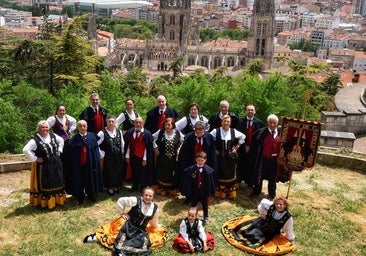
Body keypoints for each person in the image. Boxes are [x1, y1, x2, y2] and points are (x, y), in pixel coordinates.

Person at [83, 187, 168, 255]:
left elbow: (153, 222)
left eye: (150, 196)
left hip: (140, 230)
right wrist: (122, 213)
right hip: (127, 224)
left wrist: (158, 226)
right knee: (115, 237)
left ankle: (122, 252)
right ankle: (96, 237)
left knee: (143, 244)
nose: (148, 197)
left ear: (153, 197)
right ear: (143, 195)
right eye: (146, 195)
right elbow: (121, 201)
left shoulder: (155, 208)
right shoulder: (136, 200)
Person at [23, 120, 65, 209]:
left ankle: (58, 200)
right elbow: (25, 149)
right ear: (38, 129)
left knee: (58, 180)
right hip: (44, 165)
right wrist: (35, 159)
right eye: (43, 127)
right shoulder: (35, 140)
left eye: (46, 127)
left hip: (56, 163)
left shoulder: (53, 135)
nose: (45, 129)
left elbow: (61, 140)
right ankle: (47, 203)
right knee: (47, 183)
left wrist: (60, 150)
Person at [227, 196, 295, 249]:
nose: (278, 206)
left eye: (281, 204)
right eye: (277, 203)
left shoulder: (287, 217)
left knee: (254, 237)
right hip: (262, 223)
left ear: (285, 205)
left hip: (269, 232)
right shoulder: (271, 206)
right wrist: (262, 213)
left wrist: (291, 239)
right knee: (245, 229)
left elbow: (289, 229)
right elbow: (263, 201)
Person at [177, 121, 217, 195]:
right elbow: (184, 152)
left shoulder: (209, 137)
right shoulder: (189, 137)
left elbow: (212, 152)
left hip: (204, 163)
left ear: (204, 129)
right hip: (192, 163)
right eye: (196, 129)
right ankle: (190, 195)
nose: (198, 131)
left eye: (200, 129)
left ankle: (204, 195)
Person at [210, 115, 245, 199]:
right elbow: (208, 139)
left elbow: (243, 136)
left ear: (230, 123)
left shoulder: (233, 131)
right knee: (221, 174)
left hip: (230, 157)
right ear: (221, 122)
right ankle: (221, 193)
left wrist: (237, 147)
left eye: (228, 121)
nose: (226, 123)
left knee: (230, 175)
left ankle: (230, 193)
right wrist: (214, 149)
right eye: (224, 121)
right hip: (220, 157)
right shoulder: (216, 131)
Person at [69, 120, 103, 203]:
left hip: (91, 163)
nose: (82, 128)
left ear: (87, 127)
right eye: (80, 126)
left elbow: (96, 150)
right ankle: (80, 196)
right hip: (79, 164)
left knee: (91, 179)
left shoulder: (93, 136)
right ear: (77, 127)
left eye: (84, 126)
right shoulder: (74, 139)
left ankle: (92, 195)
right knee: (79, 180)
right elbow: (72, 155)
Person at [249, 114, 281, 200]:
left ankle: (272, 194)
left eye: (274, 122)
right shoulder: (261, 132)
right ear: (267, 123)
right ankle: (256, 192)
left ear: (277, 123)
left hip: (274, 160)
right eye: (270, 122)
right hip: (262, 159)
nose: (272, 124)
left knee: (272, 177)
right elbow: (253, 143)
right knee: (259, 176)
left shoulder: (281, 133)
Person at [47, 104, 77, 194]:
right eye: (60, 110)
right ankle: (60, 184)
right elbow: (45, 127)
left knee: (68, 163)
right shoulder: (53, 119)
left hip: (68, 143)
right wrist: (53, 136)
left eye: (63, 110)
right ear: (57, 111)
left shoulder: (68, 117)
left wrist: (70, 130)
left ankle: (68, 184)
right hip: (57, 143)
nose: (62, 112)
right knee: (60, 163)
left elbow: (74, 123)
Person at [180, 152, 216, 224]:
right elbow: (188, 181)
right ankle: (192, 216)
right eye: (198, 160)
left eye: (202, 160)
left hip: (204, 191)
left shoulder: (208, 171)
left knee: (204, 204)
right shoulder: (191, 170)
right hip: (195, 190)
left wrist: (209, 191)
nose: (200, 162)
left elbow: (210, 183)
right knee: (193, 203)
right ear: (196, 160)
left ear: (205, 160)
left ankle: (206, 216)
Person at [153, 117, 184, 196]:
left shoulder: (177, 132)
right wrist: (155, 147)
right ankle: (162, 188)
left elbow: (184, 140)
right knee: (162, 173)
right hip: (162, 158)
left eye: (169, 125)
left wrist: (179, 150)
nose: (167, 126)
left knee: (171, 173)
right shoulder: (161, 132)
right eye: (166, 125)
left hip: (173, 158)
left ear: (173, 125)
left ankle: (171, 189)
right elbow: (152, 138)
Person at [236, 104, 265, 185]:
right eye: (248, 110)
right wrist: (244, 145)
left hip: (253, 148)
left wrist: (250, 146)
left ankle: (249, 182)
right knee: (241, 163)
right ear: (246, 111)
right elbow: (237, 134)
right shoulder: (240, 121)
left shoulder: (259, 123)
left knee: (252, 164)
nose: (250, 111)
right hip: (242, 147)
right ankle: (239, 180)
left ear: (255, 111)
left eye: (252, 110)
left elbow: (260, 137)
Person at [124, 117, 154, 191]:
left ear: (143, 123)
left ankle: (143, 188)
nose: (138, 124)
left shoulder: (147, 134)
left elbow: (147, 149)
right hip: (133, 156)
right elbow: (128, 145)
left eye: (140, 123)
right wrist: (127, 156)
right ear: (134, 123)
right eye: (136, 122)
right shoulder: (130, 132)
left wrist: (145, 159)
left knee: (143, 173)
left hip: (142, 157)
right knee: (134, 172)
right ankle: (135, 186)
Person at [97, 116, 125, 196]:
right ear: (106, 122)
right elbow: (96, 143)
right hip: (108, 157)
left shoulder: (119, 131)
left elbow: (122, 142)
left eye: (113, 121)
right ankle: (109, 188)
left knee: (118, 171)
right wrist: (101, 153)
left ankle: (116, 186)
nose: (111, 123)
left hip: (118, 155)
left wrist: (122, 152)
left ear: (115, 122)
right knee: (109, 172)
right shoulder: (102, 133)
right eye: (109, 121)